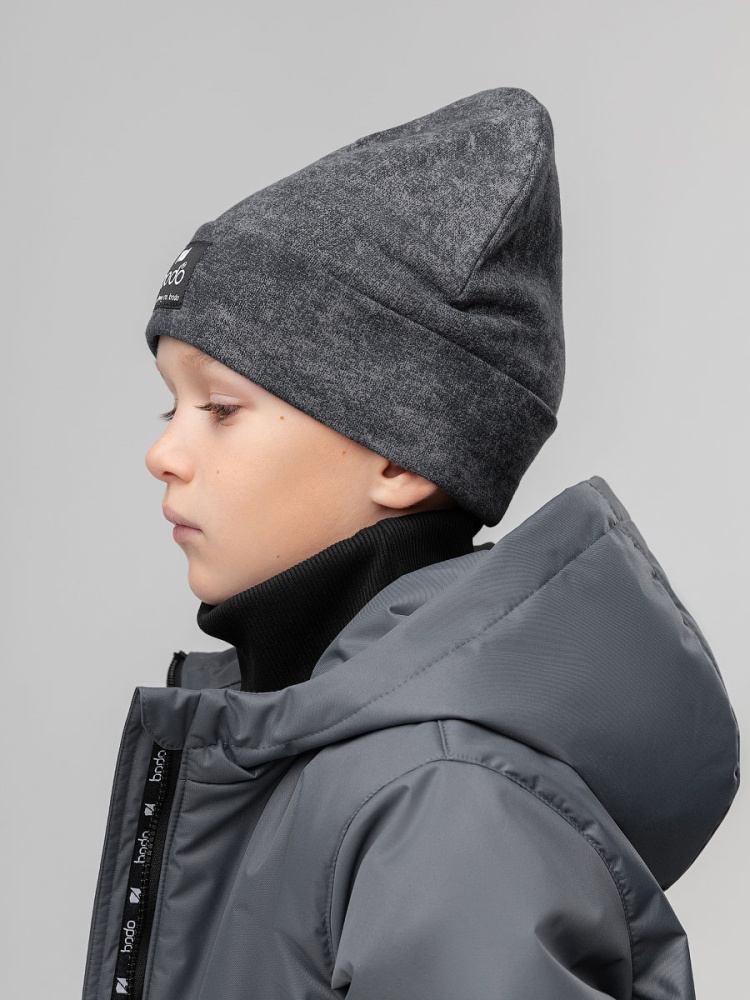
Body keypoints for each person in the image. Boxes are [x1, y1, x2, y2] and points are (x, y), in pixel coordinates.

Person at [82, 87, 740, 1000]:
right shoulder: (318, 757)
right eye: (171, 406)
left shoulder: (444, 810)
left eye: (222, 409)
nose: (164, 453)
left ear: (401, 455)